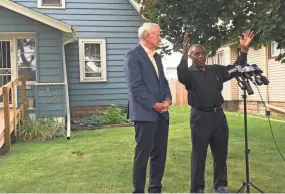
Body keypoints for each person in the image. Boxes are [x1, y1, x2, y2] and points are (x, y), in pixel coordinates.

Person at [177, 30, 254, 193]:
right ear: (191, 57)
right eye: (195, 54)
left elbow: (237, 69)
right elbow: (180, 73)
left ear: (206, 55)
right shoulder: (189, 74)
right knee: (199, 153)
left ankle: (220, 185)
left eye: (202, 53)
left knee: (220, 152)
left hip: (218, 116)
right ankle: (198, 188)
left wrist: (244, 50)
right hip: (200, 117)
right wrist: (184, 52)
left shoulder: (216, 70)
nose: (199, 56)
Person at [123, 22, 172, 193]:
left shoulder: (157, 57)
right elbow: (135, 86)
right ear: (145, 36)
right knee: (142, 155)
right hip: (145, 114)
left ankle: (155, 189)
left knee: (159, 154)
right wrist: (153, 105)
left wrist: (167, 98)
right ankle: (138, 191)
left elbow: (163, 81)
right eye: (157, 35)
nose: (160, 38)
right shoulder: (132, 56)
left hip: (162, 114)